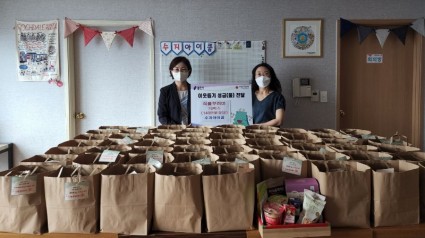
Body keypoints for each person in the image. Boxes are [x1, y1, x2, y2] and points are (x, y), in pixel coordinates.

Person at [157, 56, 192, 125]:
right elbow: (162, 116)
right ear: (171, 71)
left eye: (183, 69)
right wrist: (177, 127)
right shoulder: (165, 91)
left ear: (189, 71)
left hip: (195, 131)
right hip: (173, 132)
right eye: (176, 69)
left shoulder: (196, 90)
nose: (180, 72)